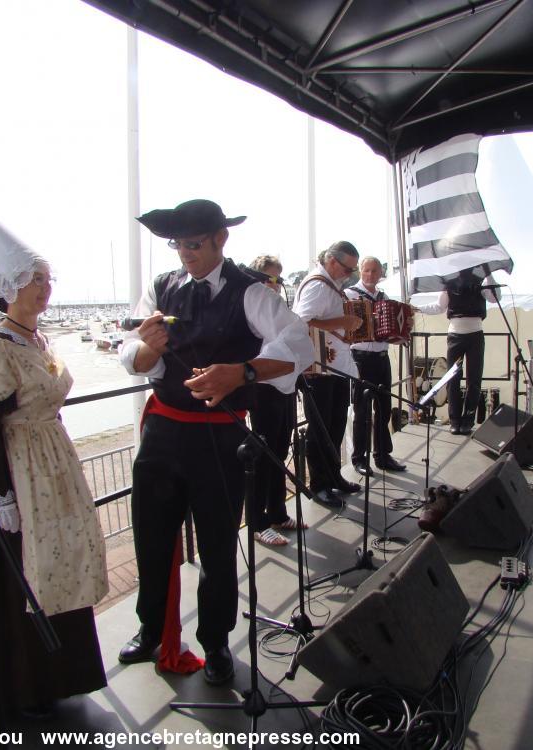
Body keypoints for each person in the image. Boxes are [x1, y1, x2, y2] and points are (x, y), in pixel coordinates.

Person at [116, 199, 313, 685]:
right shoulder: (161, 288)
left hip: (221, 433)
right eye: (178, 244)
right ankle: (150, 627)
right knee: (152, 535)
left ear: (220, 239)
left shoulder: (251, 292)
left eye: (194, 244)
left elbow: (300, 346)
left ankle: (216, 641)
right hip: (163, 430)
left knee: (219, 544)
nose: (185, 254)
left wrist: (242, 372)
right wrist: (147, 350)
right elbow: (133, 359)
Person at [0, 194, 108, 716]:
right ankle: (21, 686)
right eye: (34, 280)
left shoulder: (36, 340)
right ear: (7, 289)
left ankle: (60, 676)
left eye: (46, 279)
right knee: (23, 571)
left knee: (60, 565)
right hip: (18, 477)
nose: (44, 289)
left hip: (50, 467)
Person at [292, 241, 364, 508]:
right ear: (332, 261)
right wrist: (342, 323)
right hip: (319, 369)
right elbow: (301, 321)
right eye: (347, 269)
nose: (349, 275)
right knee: (320, 428)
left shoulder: (330, 286)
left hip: (335, 367)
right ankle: (319, 485)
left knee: (334, 424)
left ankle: (333, 476)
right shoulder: (317, 286)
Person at [244, 255, 308, 547]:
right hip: (263, 390)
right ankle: (257, 523)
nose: (275, 284)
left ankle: (278, 513)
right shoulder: (251, 310)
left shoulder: (277, 311)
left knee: (280, 452)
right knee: (263, 455)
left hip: (284, 388)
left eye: (278, 279)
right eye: (270, 278)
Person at [344, 256, 406, 477]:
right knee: (361, 410)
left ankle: (382, 455)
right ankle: (359, 458)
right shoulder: (350, 295)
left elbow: (390, 329)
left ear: (381, 273)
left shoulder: (384, 297)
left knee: (384, 408)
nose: (370, 275)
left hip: (381, 357)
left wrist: (400, 333)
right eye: (366, 271)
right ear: (360, 271)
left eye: (374, 271)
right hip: (360, 358)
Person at [418, 268, 499, 435]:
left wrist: (489, 273)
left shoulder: (481, 280)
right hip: (455, 335)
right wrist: (417, 308)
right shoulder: (450, 282)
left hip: (475, 334)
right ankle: (454, 420)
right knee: (453, 378)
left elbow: (495, 297)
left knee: (474, 379)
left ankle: (468, 420)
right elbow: (439, 306)